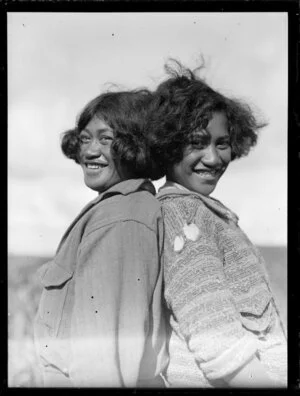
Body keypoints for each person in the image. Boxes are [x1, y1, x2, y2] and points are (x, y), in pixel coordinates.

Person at [146, 60, 287, 388]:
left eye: (221, 143)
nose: (213, 158)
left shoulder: (201, 212)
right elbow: (220, 345)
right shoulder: (186, 217)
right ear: (168, 146)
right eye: (196, 143)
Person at [33, 89, 168, 387]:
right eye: (85, 138)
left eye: (106, 139)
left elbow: (102, 362)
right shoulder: (119, 208)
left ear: (136, 147)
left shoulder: (120, 217)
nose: (90, 151)